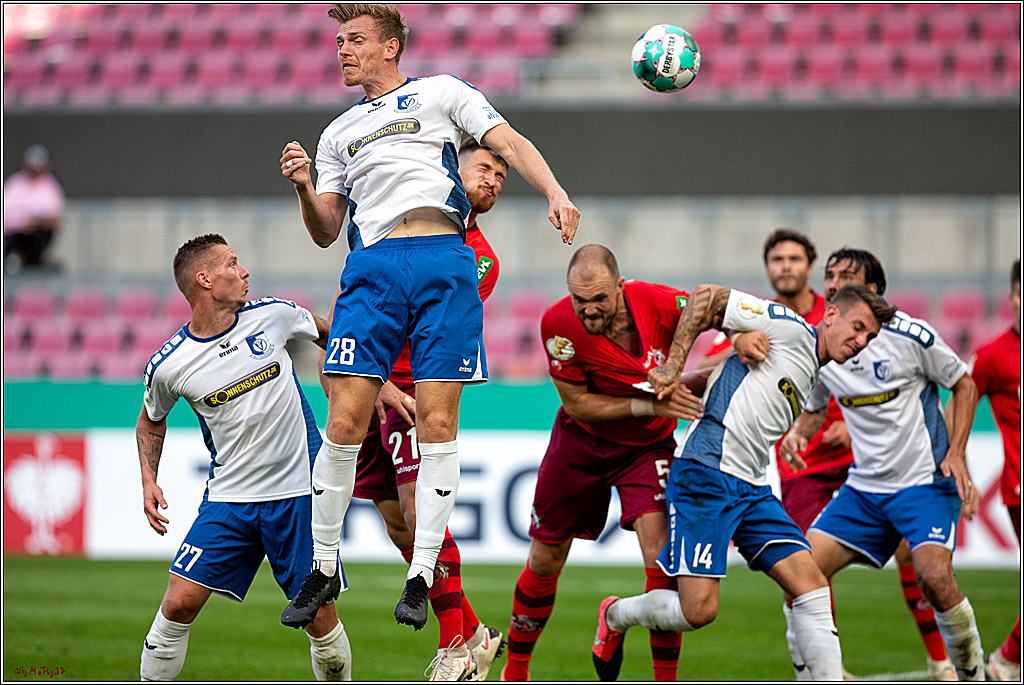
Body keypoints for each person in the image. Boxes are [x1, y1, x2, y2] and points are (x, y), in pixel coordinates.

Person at [278, 3, 580, 638]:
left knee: (438, 424)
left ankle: (421, 575)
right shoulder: (338, 133)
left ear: (391, 46)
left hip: (443, 257)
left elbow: (509, 142)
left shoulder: (442, 93)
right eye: (339, 40)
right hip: (372, 266)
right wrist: (305, 186)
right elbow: (327, 230)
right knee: (343, 419)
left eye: (355, 39)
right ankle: (324, 566)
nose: (342, 49)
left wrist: (555, 191)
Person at [591, 282, 898, 681]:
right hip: (705, 474)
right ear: (831, 315)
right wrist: (673, 366)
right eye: (858, 328)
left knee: (811, 585)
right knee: (699, 611)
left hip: (752, 487)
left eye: (869, 337)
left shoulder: (816, 371)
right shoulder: (788, 327)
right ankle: (616, 614)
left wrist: (798, 434)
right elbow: (706, 297)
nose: (861, 341)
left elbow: (795, 402)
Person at [712, 238, 956, 679]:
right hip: (805, 466)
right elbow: (724, 354)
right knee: (802, 566)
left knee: (913, 551)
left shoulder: (856, 324)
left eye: (794, 259)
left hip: (865, 462)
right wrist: (738, 336)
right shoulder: (768, 317)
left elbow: (905, 389)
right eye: (777, 260)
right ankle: (823, 670)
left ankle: (940, 659)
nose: (786, 267)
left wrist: (849, 424)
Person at [137, 234, 375, 681]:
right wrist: (149, 480)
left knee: (319, 618)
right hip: (230, 499)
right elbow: (151, 420)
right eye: (231, 263)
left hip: (299, 493)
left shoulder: (274, 314)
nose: (243, 271)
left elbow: (336, 337)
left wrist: (378, 385)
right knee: (178, 602)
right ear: (205, 279)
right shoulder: (169, 365)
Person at [327, 140, 510, 680]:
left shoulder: (478, 257)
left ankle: (454, 647)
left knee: (416, 508)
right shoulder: (393, 218)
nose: (494, 179)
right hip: (367, 381)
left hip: (410, 388)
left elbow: (418, 320)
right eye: (485, 167)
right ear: (453, 169)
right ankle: (475, 633)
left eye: (502, 174)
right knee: (396, 522)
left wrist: (384, 379)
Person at [502, 244, 711, 683]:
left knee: (662, 564)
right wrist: (649, 406)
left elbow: (712, 305)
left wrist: (742, 335)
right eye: (580, 299)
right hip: (579, 443)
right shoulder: (557, 323)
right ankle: (515, 674)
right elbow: (578, 404)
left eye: (599, 298)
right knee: (545, 559)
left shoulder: (657, 302)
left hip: (645, 449)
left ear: (620, 286)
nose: (589, 309)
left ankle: (664, 679)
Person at [779, 248, 985, 681]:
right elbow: (815, 409)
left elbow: (964, 384)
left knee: (934, 578)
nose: (832, 284)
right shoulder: (823, 345)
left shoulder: (912, 336)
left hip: (923, 484)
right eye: (829, 275)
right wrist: (799, 433)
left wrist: (956, 454)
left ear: (873, 290)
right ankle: (813, 676)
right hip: (864, 490)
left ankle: (970, 671)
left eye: (846, 277)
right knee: (798, 572)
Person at [959, 259, 1020, 681]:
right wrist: (958, 464)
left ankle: (1007, 660)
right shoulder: (993, 356)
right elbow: (959, 400)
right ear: (1012, 297)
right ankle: (1007, 659)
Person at [2, 143, 64, 271]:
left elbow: (53, 217)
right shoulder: (15, 184)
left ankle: (32, 262)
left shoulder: (50, 186)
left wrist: (34, 223)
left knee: (40, 235)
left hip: (36, 234)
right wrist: (21, 223)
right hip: (12, 233)